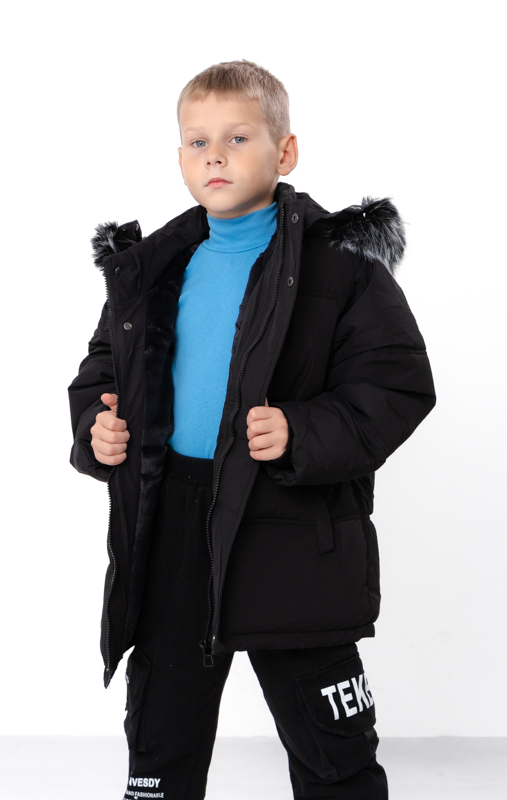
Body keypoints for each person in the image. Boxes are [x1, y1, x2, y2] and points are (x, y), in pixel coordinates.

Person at [68, 59, 436, 800]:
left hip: (287, 528)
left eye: (237, 138)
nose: (215, 156)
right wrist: (96, 430)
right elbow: (102, 370)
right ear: (179, 158)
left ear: (284, 152)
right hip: (171, 522)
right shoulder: (152, 270)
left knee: (330, 742)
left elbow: (396, 384)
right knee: (160, 733)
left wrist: (303, 430)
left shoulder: (339, 263)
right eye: (197, 141)